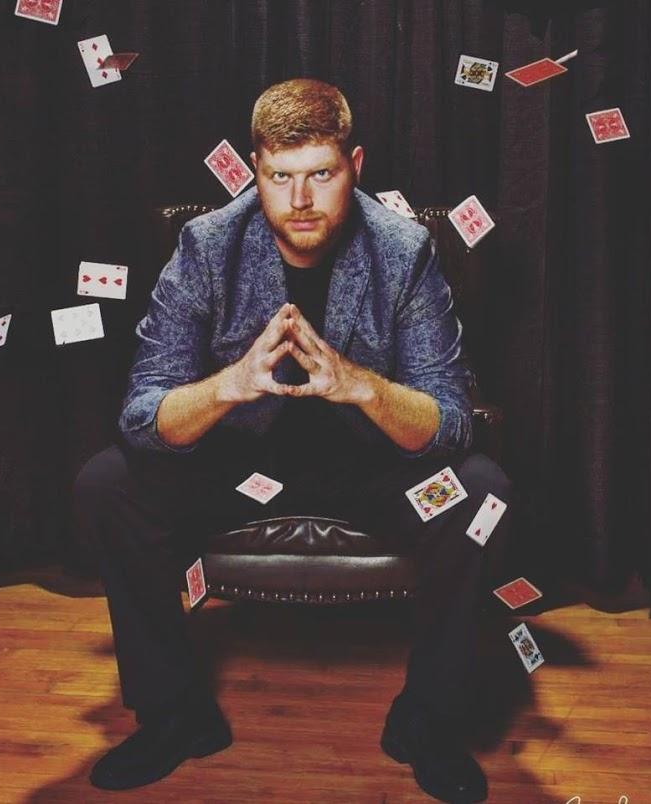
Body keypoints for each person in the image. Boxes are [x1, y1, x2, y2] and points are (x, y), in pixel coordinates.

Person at [74, 78, 511, 803]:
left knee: (481, 492)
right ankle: (175, 715)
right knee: (105, 481)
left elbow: (451, 420)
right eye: (280, 176)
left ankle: (428, 722)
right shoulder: (206, 245)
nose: (300, 199)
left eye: (321, 174)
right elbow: (142, 415)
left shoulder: (404, 249)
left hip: (368, 467)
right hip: (242, 464)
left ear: (356, 166)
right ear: (254, 171)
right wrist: (228, 384)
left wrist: (358, 384)